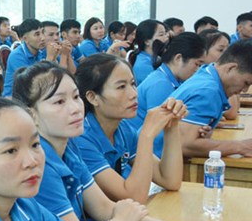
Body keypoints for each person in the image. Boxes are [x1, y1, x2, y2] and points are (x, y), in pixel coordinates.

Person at [12, 62, 208, 221]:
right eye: (59, 101)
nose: (76, 108)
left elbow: (105, 208)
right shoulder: (39, 165)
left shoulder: (69, 146)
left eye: (76, 97)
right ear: (30, 114)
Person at [73, 54, 186, 202]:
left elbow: (170, 180)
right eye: (121, 87)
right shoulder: (81, 138)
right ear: (93, 97)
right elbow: (134, 196)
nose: (134, 94)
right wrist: (147, 135)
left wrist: (172, 125)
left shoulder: (123, 129)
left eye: (133, 84)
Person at [171, 39, 252, 158]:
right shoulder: (209, 91)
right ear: (231, 68)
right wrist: (240, 146)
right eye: (246, 82)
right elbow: (184, 145)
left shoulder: (207, 73)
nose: (245, 89)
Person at [130, 32, 207, 155]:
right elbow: (159, 130)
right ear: (178, 58)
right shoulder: (161, 84)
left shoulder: (171, 80)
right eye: (197, 64)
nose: (198, 70)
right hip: (139, 152)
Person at [1, 18, 49, 97]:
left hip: (33, 97)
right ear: (25, 39)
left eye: (43, 32)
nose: (43, 38)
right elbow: (31, 84)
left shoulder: (41, 52)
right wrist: (50, 58)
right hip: (14, 100)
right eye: (37, 34)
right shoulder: (16, 56)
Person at [129, 19, 169, 85]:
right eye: (161, 35)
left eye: (165, 34)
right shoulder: (143, 65)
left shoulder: (155, 58)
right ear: (147, 41)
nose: (166, 38)